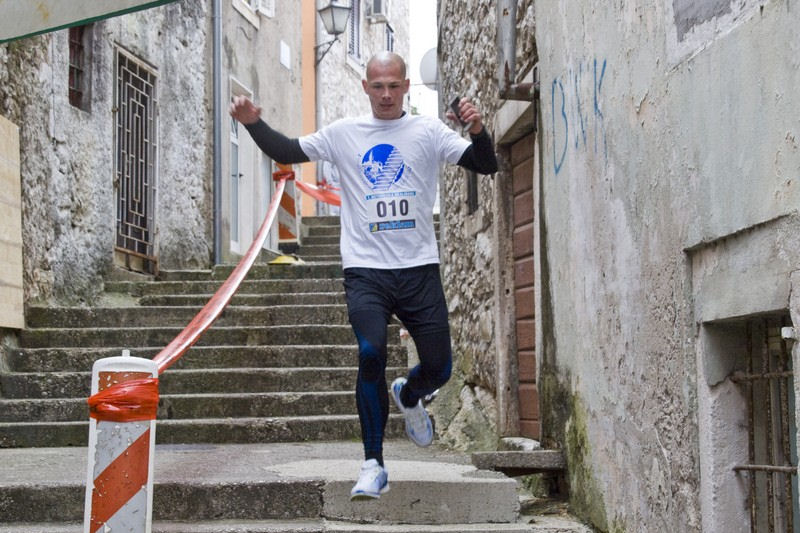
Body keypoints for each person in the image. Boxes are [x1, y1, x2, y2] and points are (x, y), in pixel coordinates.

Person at [230, 51, 498, 501]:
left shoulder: (428, 131)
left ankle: (410, 395)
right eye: (378, 86)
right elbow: (288, 151)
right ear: (365, 87)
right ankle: (373, 464)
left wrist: (477, 130)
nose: (386, 95)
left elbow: (484, 164)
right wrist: (254, 123)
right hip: (365, 270)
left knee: (440, 368)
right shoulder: (344, 133)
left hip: (418, 268)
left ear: (406, 86)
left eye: (394, 86)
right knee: (370, 352)